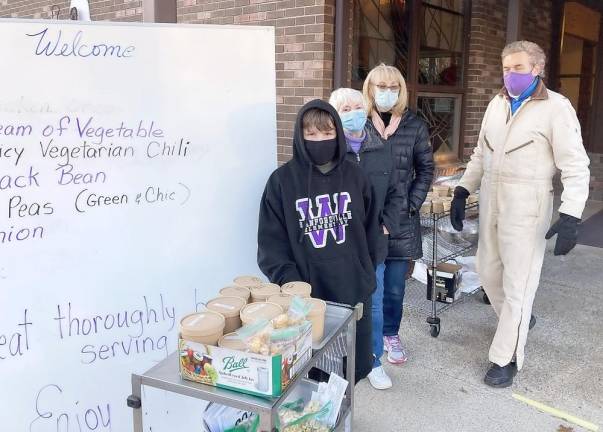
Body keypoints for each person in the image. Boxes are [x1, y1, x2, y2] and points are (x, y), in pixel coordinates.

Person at [450, 40, 591, 388]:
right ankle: (519, 321)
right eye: (506, 67)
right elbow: (481, 155)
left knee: (519, 284)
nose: (510, 74)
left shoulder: (557, 108)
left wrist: (571, 214)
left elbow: (575, 165)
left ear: (538, 69)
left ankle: (506, 358)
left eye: (518, 68)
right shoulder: (496, 104)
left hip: (528, 205)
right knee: (486, 270)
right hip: (492, 202)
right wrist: (463, 189)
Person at [257, 99, 381, 383]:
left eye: (327, 133)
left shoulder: (356, 177)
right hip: (307, 297)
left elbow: (371, 231)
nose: (319, 140)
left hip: (352, 290)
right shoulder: (281, 182)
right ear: (299, 137)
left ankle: (343, 418)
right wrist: (295, 288)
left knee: (351, 368)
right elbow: (270, 247)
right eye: (310, 134)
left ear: (338, 133)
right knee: (311, 372)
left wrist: (366, 272)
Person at [362, 64, 434, 382]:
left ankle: (391, 333)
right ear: (370, 88)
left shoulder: (414, 126)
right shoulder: (359, 124)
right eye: (381, 86)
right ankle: (372, 351)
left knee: (394, 289)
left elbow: (425, 169)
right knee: (373, 293)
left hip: (402, 223)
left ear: (401, 90)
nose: (387, 92)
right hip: (368, 224)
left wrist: (411, 205)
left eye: (393, 86)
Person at [329, 87, 402, 390]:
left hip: (374, 247)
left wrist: (387, 224)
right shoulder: (329, 153)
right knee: (336, 307)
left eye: (356, 106)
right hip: (339, 247)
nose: (352, 112)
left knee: (372, 305)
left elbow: (397, 191)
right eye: (344, 109)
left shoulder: (380, 147)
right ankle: (336, 363)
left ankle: (371, 362)